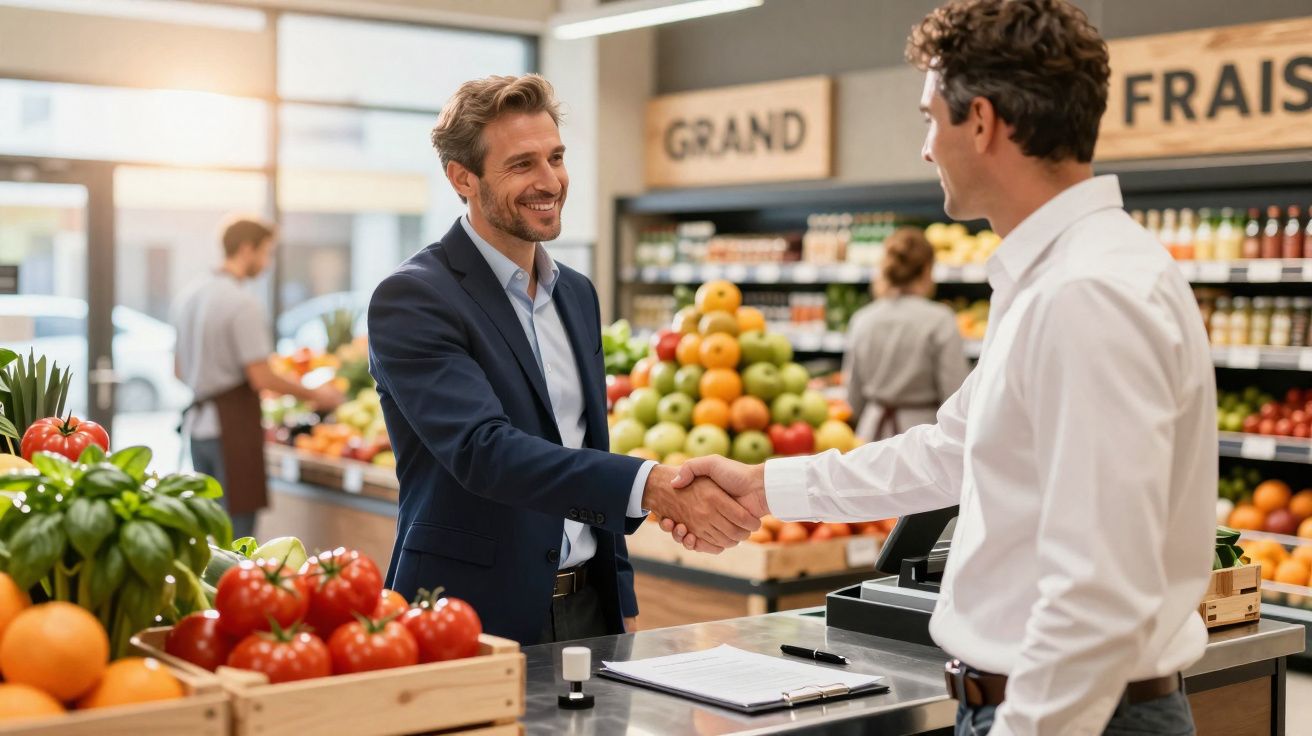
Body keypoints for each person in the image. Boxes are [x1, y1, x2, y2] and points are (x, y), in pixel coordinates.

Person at [661, 1, 1215, 733]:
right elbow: (948, 452)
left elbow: (1097, 593)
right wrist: (764, 486)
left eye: (931, 118)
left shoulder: (1087, 295)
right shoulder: (1063, 279)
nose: (926, 147)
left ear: (981, 122)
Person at [367, 74, 757, 646]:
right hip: (467, 616)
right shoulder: (414, 298)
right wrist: (650, 486)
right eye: (522, 164)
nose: (550, 181)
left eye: (556, 157)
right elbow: (485, 452)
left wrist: (617, 596)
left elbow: (584, 446)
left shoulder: (576, 293)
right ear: (462, 178)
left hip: (591, 608)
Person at [172, 217, 344, 540]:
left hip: (198, 428)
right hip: (232, 429)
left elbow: (179, 371)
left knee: (209, 526)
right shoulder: (242, 303)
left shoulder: (190, 297)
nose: (267, 263)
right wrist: (317, 394)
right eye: (266, 252)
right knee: (238, 535)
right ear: (247, 249)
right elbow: (260, 376)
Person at [845, 226, 968, 441]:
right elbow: (955, 394)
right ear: (926, 270)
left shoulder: (862, 319)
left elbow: (853, 396)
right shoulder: (940, 319)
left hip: (871, 432)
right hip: (922, 435)